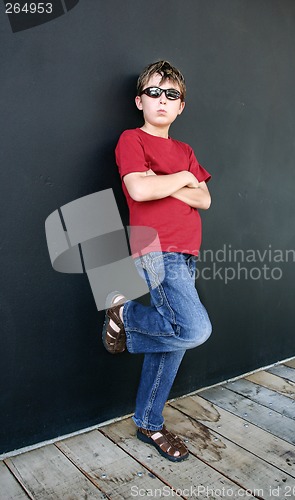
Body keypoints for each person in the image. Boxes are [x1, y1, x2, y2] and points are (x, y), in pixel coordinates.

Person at [102, 60, 212, 462]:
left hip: (187, 253)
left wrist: (173, 179)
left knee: (173, 342)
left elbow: (205, 199)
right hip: (155, 249)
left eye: (172, 95)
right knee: (193, 328)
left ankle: (149, 421)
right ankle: (125, 314)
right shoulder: (132, 139)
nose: (162, 100)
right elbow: (139, 189)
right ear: (139, 100)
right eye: (154, 92)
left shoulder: (185, 151)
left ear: (181, 106)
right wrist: (182, 179)